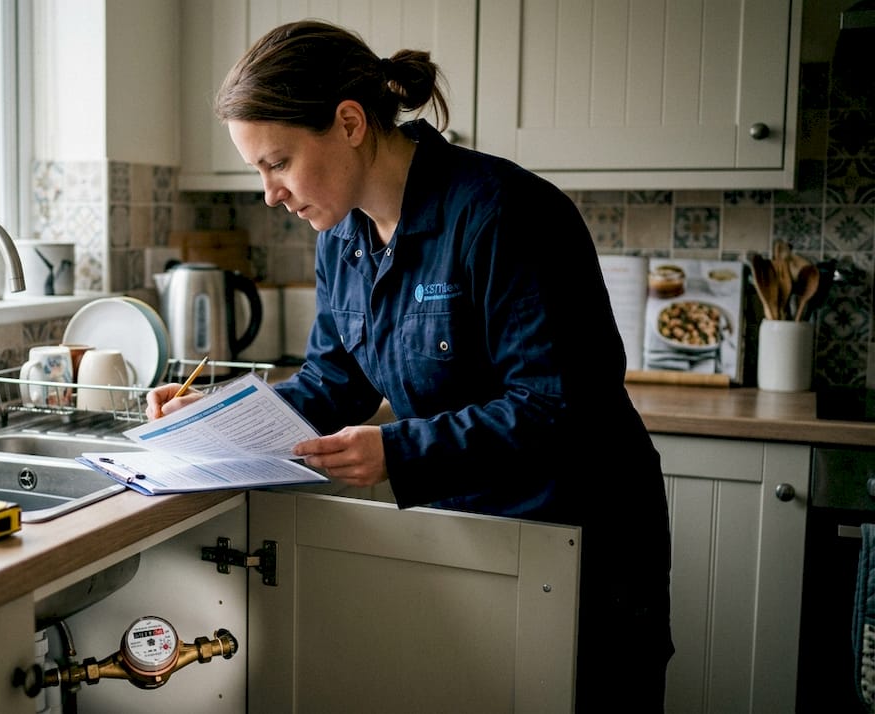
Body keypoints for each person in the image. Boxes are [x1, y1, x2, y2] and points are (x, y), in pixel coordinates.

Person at [146, 19, 674, 712]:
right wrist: (217, 413)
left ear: (349, 123)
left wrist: (399, 450)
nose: (270, 193)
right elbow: (332, 383)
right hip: (466, 532)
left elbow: (555, 405)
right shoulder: (341, 237)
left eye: (278, 163)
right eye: (258, 171)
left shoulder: (504, 213)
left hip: (581, 538)